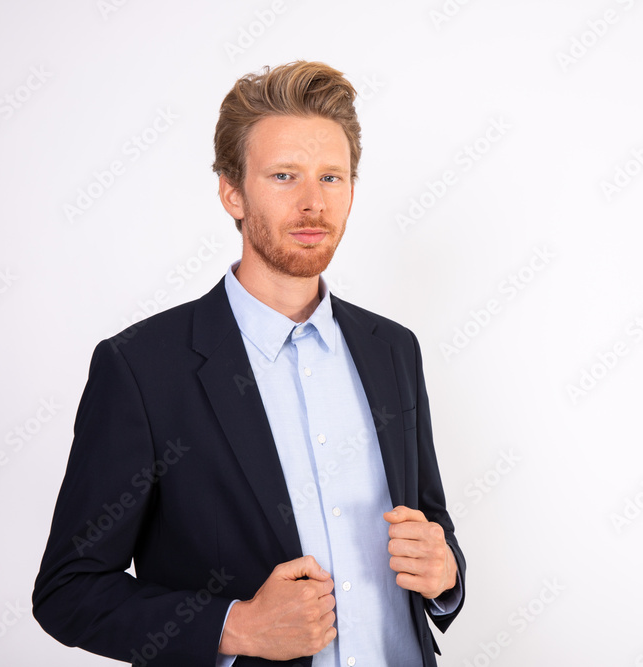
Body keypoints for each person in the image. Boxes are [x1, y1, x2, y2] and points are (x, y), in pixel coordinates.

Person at [32, 61, 465, 667]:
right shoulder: (141, 369)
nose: (313, 203)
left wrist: (446, 573)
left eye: (332, 177)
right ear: (232, 191)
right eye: (284, 176)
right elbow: (68, 590)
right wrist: (232, 627)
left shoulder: (393, 349)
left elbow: (430, 520)